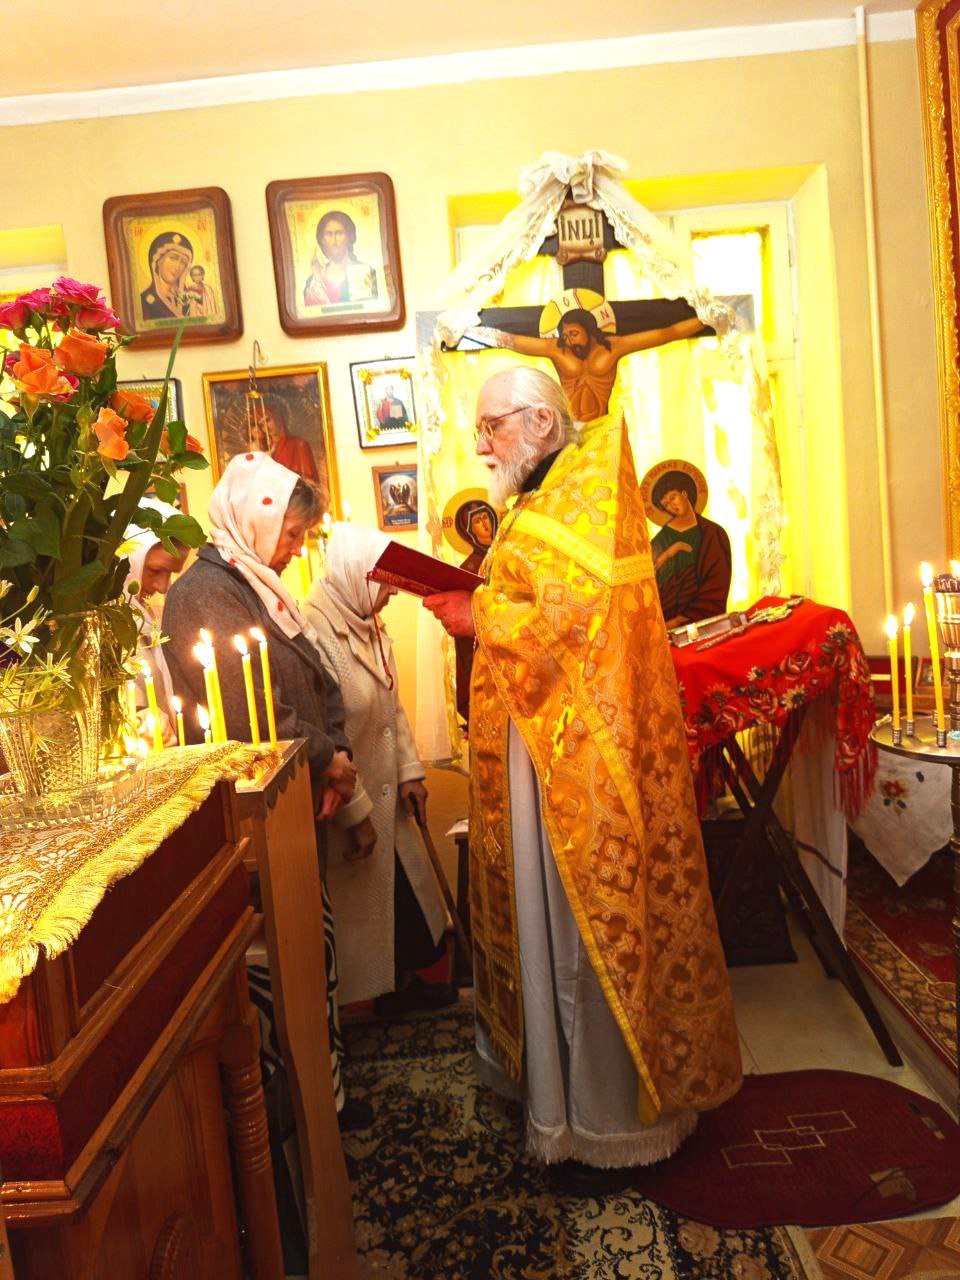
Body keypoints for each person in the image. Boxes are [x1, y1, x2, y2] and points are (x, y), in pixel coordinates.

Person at [423, 368, 741, 1181]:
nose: (482, 443)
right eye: (480, 427)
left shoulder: (585, 493)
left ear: (540, 421)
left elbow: (574, 619)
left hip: (579, 761)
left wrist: (475, 612)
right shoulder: (540, 497)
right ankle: (550, 1094)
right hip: (536, 747)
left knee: (579, 927)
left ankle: (602, 1115)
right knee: (541, 921)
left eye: (493, 425)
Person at [162, 451, 358, 1109]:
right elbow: (251, 713)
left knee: (312, 959)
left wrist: (333, 754)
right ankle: (302, 1118)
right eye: (292, 535)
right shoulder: (207, 593)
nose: (296, 550)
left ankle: (326, 1104)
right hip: (255, 820)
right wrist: (327, 758)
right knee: (283, 978)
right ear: (256, 518)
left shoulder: (252, 582)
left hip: (297, 797)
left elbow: (319, 676)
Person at [302, 523, 453, 1015]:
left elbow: (392, 705)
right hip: (354, 795)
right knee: (371, 905)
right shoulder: (314, 632)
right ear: (356, 575)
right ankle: (370, 1002)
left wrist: (410, 770)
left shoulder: (368, 622)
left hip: (389, 789)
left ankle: (401, 984)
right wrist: (356, 811)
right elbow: (327, 730)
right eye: (384, 584)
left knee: (406, 897)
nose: (392, 593)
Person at [469, 306, 708, 423]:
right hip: (570, 429)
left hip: (602, 426)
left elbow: (668, 333)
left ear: (589, 329)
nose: (570, 340)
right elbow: (512, 341)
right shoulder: (556, 349)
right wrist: (468, 331)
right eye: (566, 335)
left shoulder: (614, 347)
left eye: (574, 333)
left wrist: (708, 318)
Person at [122, 499, 189, 745]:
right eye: (155, 571)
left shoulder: (146, 617)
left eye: (170, 574)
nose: (163, 586)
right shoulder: (99, 625)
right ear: (130, 560)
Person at [649, 468, 732, 627]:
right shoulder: (660, 540)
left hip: (702, 622)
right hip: (665, 622)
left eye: (672, 498)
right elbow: (650, 578)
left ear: (684, 493)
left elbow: (717, 582)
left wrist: (680, 620)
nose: (671, 506)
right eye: (666, 504)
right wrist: (669, 553)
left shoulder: (713, 533)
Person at [452, 499, 498, 726]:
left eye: (486, 517)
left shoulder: (511, 556)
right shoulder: (467, 570)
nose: (485, 525)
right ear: (469, 531)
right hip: (485, 660)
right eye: (478, 521)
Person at [303, 210, 378, 307]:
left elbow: (369, 309)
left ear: (349, 237)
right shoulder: (313, 281)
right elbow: (312, 312)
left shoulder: (364, 273)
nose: (334, 240)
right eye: (328, 234)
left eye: (339, 233)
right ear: (322, 239)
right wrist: (318, 281)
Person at [254, 396, 321, 486]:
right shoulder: (265, 450)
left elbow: (310, 483)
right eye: (262, 425)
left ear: (278, 417)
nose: (266, 427)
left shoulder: (299, 444)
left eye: (267, 420)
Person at [140, 230, 194, 321]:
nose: (177, 267)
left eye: (183, 262)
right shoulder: (144, 301)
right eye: (173, 258)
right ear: (158, 260)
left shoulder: (190, 301)